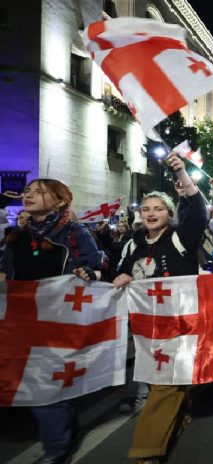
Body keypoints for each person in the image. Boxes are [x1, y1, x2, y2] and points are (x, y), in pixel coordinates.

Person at [0, 178, 106, 464]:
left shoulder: (74, 233)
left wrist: (88, 273)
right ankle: (65, 422)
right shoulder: (16, 235)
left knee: (45, 385)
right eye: (27, 191)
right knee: (24, 381)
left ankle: (56, 449)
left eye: (39, 191)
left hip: (58, 319)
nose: (29, 195)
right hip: (19, 321)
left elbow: (98, 265)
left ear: (59, 201)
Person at [112, 152, 207, 464]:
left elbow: (198, 212)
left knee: (164, 382)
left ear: (169, 214)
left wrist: (181, 173)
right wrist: (119, 275)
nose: (151, 213)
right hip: (147, 328)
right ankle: (179, 415)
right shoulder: (135, 243)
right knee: (163, 381)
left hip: (180, 325)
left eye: (158, 209)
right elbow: (122, 272)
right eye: (146, 209)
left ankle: (146, 451)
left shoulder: (181, 237)